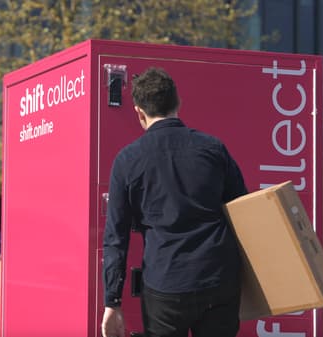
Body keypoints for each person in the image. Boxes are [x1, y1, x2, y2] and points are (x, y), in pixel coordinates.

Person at [101, 67, 248, 337]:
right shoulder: (213, 149)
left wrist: (112, 301)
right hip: (218, 278)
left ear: (139, 112)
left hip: (165, 285)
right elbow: (244, 210)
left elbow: (115, 238)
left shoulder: (127, 161)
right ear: (178, 102)